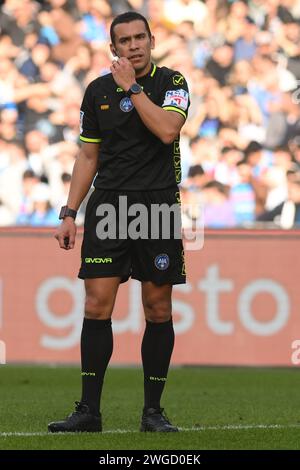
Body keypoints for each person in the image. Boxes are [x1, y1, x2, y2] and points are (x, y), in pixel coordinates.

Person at [48, 11, 190, 433]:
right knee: (96, 305)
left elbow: (167, 131)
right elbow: (87, 156)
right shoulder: (96, 92)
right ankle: (89, 411)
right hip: (109, 208)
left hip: (158, 206)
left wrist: (132, 87)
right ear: (114, 48)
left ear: (151, 39)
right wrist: (70, 212)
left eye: (139, 37)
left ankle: (153, 412)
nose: (134, 45)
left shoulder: (173, 83)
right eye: (124, 40)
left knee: (158, 308)